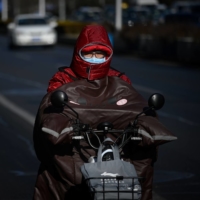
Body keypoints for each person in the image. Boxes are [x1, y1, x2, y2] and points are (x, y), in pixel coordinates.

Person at [33, 25, 177, 200]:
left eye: (100, 54)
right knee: (55, 171)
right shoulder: (63, 78)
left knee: (141, 164)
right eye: (89, 53)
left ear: (108, 55)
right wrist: (60, 123)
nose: (94, 58)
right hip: (77, 145)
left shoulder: (119, 78)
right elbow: (52, 106)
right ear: (79, 53)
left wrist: (145, 123)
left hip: (116, 144)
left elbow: (133, 105)